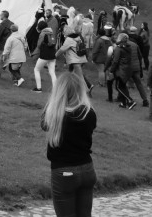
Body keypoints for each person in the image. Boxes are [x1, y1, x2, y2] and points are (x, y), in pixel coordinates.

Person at [41, 71, 98, 217]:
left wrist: (55, 102)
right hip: (87, 169)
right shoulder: (89, 113)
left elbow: (44, 124)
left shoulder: (55, 114)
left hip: (64, 171)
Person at [108, 32, 136, 109]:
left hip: (121, 69)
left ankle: (130, 101)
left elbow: (115, 61)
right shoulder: (128, 47)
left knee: (118, 87)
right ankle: (123, 103)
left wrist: (111, 70)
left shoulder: (118, 48)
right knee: (123, 85)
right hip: (128, 69)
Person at [126, 27, 150, 107]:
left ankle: (125, 98)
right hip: (136, 67)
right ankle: (145, 100)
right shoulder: (136, 45)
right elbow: (140, 57)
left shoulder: (125, 45)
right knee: (139, 84)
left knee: (122, 83)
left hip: (128, 67)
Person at [32, 21, 57, 92]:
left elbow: (39, 45)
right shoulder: (51, 32)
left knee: (36, 70)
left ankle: (38, 88)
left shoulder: (43, 33)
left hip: (44, 55)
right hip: (52, 54)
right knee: (52, 72)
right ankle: (56, 89)